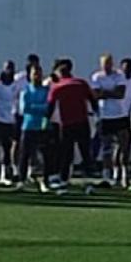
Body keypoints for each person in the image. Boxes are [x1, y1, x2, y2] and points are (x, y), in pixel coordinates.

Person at [48, 59, 98, 188]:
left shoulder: (57, 87)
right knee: (85, 153)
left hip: (66, 124)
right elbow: (93, 99)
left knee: (66, 153)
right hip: (82, 122)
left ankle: (64, 180)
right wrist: (96, 114)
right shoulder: (81, 83)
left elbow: (50, 106)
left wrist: (46, 121)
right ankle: (89, 182)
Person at [90, 53, 130, 189]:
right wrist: (110, 92)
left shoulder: (119, 75)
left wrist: (104, 93)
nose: (107, 66)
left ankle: (122, 174)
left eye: (109, 63)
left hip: (119, 115)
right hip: (104, 116)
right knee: (106, 147)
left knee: (123, 146)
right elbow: (95, 95)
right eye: (104, 63)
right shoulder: (96, 77)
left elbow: (120, 94)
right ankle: (107, 176)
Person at [17, 65, 58, 192]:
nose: (37, 76)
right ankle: (21, 181)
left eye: (39, 73)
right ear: (30, 75)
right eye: (34, 73)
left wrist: (36, 107)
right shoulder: (25, 91)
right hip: (28, 126)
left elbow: (49, 107)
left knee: (46, 156)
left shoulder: (47, 91)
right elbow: (24, 109)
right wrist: (40, 107)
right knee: (24, 155)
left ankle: (45, 182)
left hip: (43, 126)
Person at [116, 57, 131, 188]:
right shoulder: (118, 82)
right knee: (119, 147)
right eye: (125, 67)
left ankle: (128, 173)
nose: (127, 70)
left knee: (130, 147)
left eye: (129, 68)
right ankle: (116, 173)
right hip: (119, 117)